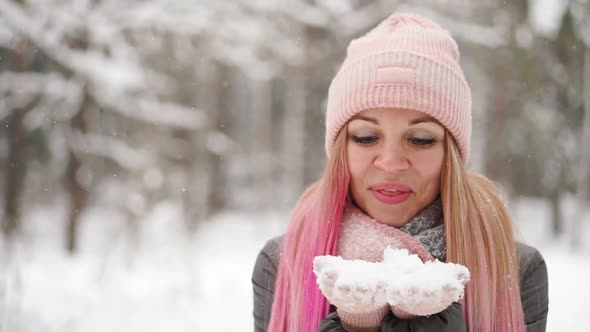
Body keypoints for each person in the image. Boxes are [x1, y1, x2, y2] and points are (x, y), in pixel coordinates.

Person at [252, 12, 548, 332]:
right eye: (367, 137)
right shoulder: (284, 264)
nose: (391, 162)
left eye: (420, 139)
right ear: (342, 150)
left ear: (450, 155)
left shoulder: (513, 268)